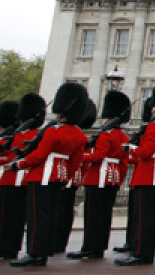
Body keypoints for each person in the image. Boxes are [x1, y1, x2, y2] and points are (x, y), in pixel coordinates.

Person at [8, 82, 88, 267]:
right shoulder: (78, 134)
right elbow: (76, 162)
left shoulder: (53, 131)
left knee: (36, 216)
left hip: (42, 175)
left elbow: (39, 156)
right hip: (59, 176)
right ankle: (43, 252)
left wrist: (18, 165)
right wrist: (66, 178)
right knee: (50, 215)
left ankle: (35, 253)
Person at [116, 80, 155, 266]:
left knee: (143, 216)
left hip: (147, 174)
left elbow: (146, 152)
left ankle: (140, 253)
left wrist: (130, 148)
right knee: (151, 216)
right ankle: (144, 252)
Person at [67, 91, 129, 260]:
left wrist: (81, 158)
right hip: (113, 177)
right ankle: (99, 246)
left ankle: (89, 247)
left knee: (93, 214)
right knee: (104, 214)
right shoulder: (122, 136)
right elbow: (124, 160)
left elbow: (99, 155)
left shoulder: (105, 134)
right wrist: (119, 179)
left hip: (98, 177)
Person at [55, 99, 94, 255]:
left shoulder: (66, 132)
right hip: (73, 175)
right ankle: (60, 242)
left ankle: (56, 242)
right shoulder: (81, 136)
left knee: (59, 208)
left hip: (63, 174)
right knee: (66, 208)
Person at [0, 100, 24, 261]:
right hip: (19, 179)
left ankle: (5, 247)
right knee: (15, 216)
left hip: (7, 178)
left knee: (6, 216)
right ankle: (11, 248)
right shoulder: (19, 135)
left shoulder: (11, 137)